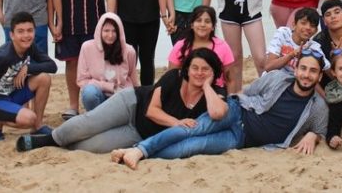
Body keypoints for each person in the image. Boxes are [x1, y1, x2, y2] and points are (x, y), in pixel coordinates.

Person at [110, 51, 329, 168]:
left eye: (312, 72)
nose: (306, 75)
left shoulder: (318, 106)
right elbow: (248, 93)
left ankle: (137, 152)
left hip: (241, 140)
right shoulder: (278, 79)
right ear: (296, 68)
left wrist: (313, 135)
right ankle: (140, 150)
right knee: (192, 129)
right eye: (303, 69)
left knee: (190, 148)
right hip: (236, 112)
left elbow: (321, 129)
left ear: (319, 76)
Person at [15, 48, 228, 153]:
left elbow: (218, 113)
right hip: (132, 104)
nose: (199, 73)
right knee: (89, 122)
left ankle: (58, 142)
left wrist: (208, 86)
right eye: (195, 68)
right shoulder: (175, 77)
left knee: (89, 147)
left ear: (213, 71)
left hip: (140, 132)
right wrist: (177, 123)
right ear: (187, 69)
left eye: (205, 69)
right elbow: (152, 111)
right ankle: (45, 140)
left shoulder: (215, 91)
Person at [0, 11, 56, 140]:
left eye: (29, 30)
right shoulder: (3, 56)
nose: (26, 35)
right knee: (29, 118)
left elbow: (52, 66)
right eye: (20, 31)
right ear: (12, 35)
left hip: (11, 93)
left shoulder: (31, 47)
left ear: (34, 32)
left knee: (44, 78)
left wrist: (28, 67)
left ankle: (37, 126)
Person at [77, 12, 140, 111]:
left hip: (121, 95)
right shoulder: (87, 47)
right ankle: (96, 120)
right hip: (98, 94)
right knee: (89, 93)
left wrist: (139, 97)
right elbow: (82, 80)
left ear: (119, 32)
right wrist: (109, 86)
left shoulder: (129, 51)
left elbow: (133, 78)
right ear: (99, 31)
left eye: (114, 31)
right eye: (106, 31)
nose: (110, 35)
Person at [168, 5, 235, 92]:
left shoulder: (223, 46)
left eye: (207, 21)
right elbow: (171, 77)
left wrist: (231, 102)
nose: (202, 25)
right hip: (187, 93)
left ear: (213, 26)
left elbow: (230, 80)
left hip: (216, 92)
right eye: (198, 20)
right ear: (192, 25)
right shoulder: (181, 46)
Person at [265, 7, 330, 73]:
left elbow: (327, 69)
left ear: (315, 31)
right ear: (294, 24)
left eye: (312, 26)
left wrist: (336, 56)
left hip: (293, 82)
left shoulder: (313, 47)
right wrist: (291, 55)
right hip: (272, 79)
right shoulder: (283, 33)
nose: (308, 28)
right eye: (303, 23)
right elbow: (269, 67)